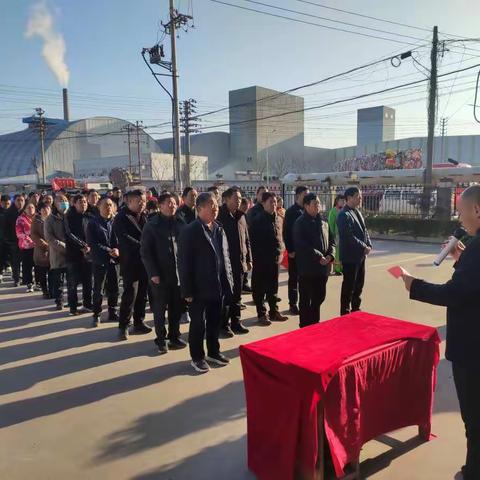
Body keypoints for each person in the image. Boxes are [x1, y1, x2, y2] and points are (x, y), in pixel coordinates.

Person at [401, 185, 480, 480]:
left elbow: (455, 293)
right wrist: (461, 257)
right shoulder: (474, 248)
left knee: (475, 419)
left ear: (477, 210)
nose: (460, 219)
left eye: (461, 211)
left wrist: (414, 286)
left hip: (473, 351)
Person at [178, 192, 234, 374]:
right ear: (200, 208)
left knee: (214, 322)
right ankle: (197, 357)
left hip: (217, 286)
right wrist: (187, 291)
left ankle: (214, 352)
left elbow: (225, 258)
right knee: (198, 325)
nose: (215, 206)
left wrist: (229, 282)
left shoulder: (219, 228)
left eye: (216, 203)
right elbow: (184, 263)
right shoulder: (190, 231)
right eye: (211, 204)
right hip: (198, 288)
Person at [141, 192, 187, 354]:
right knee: (160, 309)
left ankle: (174, 336)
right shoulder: (152, 225)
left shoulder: (181, 222)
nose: (172, 205)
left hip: (178, 274)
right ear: (160, 206)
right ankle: (161, 339)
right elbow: (146, 252)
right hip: (159, 275)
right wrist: (153, 273)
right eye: (168, 203)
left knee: (176, 307)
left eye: (174, 202)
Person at [113, 189, 152, 339]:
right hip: (130, 262)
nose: (142, 204)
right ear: (129, 202)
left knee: (143, 294)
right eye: (139, 201)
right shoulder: (121, 218)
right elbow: (125, 238)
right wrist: (144, 246)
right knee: (130, 294)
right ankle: (123, 326)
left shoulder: (144, 216)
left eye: (144, 201)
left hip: (144, 262)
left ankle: (139, 322)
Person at [293, 193, 335, 328]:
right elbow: (302, 245)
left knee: (319, 298)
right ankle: (305, 326)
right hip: (307, 269)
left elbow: (332, 242)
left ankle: (314, 324)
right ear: (306, 206)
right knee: (306, 299)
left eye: (318, 203)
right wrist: (318, 256)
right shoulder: (300, 223)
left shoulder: (323, 222)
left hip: (322, 269)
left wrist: (330, 255)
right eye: (314, 203)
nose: (318, 206)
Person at [217, 187, 252, 337]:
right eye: (235, 199)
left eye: (239, 199)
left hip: (240, 263)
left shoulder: (241, 216)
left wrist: (249, 259)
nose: (238, 201)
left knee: (237, 295)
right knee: (226, 296)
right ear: (226, 199)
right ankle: (223, 325)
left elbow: (247, 240)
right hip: (225, 265)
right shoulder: (219, 216)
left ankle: (236, 322)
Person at [250, 192, 288, 325]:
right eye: (271, 202)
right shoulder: (257, 220)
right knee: (259, 288)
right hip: (261, 260)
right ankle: (261, 314)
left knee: (273, 287)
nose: (274, 204)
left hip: (275, 259)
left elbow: (280, 237)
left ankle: (274, 311)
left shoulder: (278, 218)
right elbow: (252, 242)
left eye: (275, 202)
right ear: (263, 203)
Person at [337, 186, 372, 316]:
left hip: (360, 256)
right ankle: (345, 312)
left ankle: (356, 309)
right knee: (349, 286)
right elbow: (348, 236)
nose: (360, 198)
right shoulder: (344, 215)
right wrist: (364, 247)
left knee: (359, 285)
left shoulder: (357, 212)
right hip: (350, 257)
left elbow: (364, 230)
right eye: (358, 196)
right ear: (349, 198)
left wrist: (369, 244)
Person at [87, 197, 120, 327]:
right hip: (100, 259)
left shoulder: (116, 221)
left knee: (114, 288)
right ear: (99, 207)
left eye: (111, 205)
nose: (108, 208)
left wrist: (117, 249)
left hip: (114, 260)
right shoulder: (93, 223)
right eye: (106, 205)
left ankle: (112, 311)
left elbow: (120, 239)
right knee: (98, 289)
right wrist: (108, 250)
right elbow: (92, 243)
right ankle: (96, 314)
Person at [64, 194, 93, 315]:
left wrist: (89, 246)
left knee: (88, 281)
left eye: (85, 202)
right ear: (74, 204)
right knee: (73, 283)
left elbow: (94, 233)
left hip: (88, 254)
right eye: (80, 202)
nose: (83, 204)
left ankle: (87, 304)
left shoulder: (90, 216)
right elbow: (69, 234)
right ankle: (73, 307)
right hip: (73, 254)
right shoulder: (69, 217)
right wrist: (82, 245)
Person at [283, 186, 309, 315]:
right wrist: (290, 249)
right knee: (293, 278)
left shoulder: (307, 210)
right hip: (295, 251)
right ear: (298, 195)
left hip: (306, 252)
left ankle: (304, 301)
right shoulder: (291, 212)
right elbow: (286, 232)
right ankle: (292, 304)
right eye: (305, 194)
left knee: (304, 278)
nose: (307, 196)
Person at [44, 194, 69, 310]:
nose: (64, 203)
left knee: (71, 280)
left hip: (71, 254)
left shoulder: (70, 216)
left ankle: (72, 300)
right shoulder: (49, 219)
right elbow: (49, 238)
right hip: (58, 253)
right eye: (61, 201)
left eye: (65, 200)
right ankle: (59, 301)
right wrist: (64, 247)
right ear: (55, 203)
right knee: (58, 281)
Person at [31, 201, 52, 299]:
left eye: (47, 208)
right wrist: (45, 244)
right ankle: (45, 291)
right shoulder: (36, 221)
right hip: (41, 251)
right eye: (43, 209)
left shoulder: (53, 219)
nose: (45, 211)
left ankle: (53, 290)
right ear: (40, 210)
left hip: (53, 250)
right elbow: (34, 235)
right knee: (42, 274)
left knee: (53, 273)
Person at [3, 194, 25, 286]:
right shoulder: (8, 212)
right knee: (15, 262)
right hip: (14, 241)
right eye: (18, 200)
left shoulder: (27, 211)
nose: (20, 202)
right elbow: (5, 228)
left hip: (26, 241)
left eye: (22, 200)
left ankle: (26, 278)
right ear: (14, 201)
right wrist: (8, 240)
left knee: (26, 261)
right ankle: (16, 279)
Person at [15, 202, 36, 293]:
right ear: (25, 209)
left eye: (32, 207)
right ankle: (29, 283)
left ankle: (39, 282)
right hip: (26, 246)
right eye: (28, 208)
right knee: (27, 266)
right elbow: (19, 233)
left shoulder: (37, 218)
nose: (30, 209)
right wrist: (30, 241)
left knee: (38, 265)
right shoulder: (20, 219)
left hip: (38, 245)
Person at [328, 195, 346, 275]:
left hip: (345, 234)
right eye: (341, 200)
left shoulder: (345, 210)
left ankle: (342, 268)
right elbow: (331, 223)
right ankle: (337, 269)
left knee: (343, 252)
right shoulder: (333, 211)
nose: (342, 202)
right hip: (337, 235)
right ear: (336, 201)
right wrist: (332, 235)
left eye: (343, 200)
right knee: (337, 253)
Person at [0, 195, 12, 283]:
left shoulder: (12, 211)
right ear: (1, 203)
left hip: (10, 238)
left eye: (8, 203)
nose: (6, 205)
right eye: (4, 203)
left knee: (11, 256)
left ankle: (9, 268)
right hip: (1, 238)